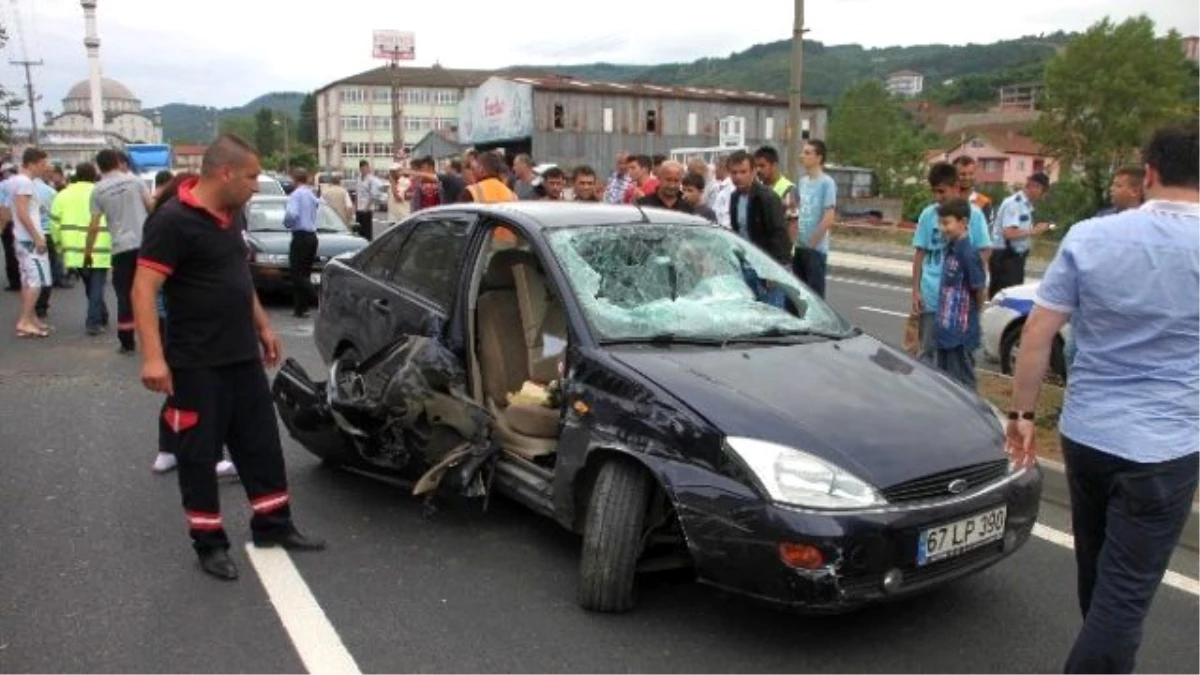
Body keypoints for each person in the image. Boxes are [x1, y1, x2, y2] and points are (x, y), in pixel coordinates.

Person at [1007, 121, 1200, 675]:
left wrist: (1020, 415)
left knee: (1098, 576)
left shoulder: (1092, 236)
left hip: (1088, 434)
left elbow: (1038, 332)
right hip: (1168, 445)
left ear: (1150, 174)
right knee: (1126, 597)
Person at [133, 134, 324, 580]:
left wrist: (263, 326)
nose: (257, 185)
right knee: (199, 454)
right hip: (196, 363)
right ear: (225, 173)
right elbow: (143, 289)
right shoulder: (173, 222)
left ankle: (273, 525)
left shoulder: (231, 214)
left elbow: (238, 275)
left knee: (260, 445)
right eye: (252, 176)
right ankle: (209, 543)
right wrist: (153, 358)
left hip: (242, 356)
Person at [1063, 166, 1146, 370]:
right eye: (1112, 184)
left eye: (1118, 185)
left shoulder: (1151, 227)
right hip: (1088, 309)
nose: (1111, 189)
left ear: (1135, 191)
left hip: (1124, 313)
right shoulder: (1101, 221)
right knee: (1072, 355)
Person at [910, 162, 993, 363]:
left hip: (959, 299)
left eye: (942, 191)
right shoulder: (928, 214)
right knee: (928, 349)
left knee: (958, 355)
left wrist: (975, 288)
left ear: (955, 187)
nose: (937, 197)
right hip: (931, 293)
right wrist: (915, 291)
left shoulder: (974, 214)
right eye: (934, 192)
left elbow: (984, 250)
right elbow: (919, 254)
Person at [85, 148, 154, 354]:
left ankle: (127, 342)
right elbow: (151, 207)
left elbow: (94, 225)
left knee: (124, 295)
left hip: (121, 248)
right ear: (118, 161)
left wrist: (88, 252)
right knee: (149, 291)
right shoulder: (135, 181)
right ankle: (157, 336)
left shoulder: (97, 190)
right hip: (145, 244)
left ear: (99, 166)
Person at [50, 163, 110, 335]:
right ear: (94, 176)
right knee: (97, 285)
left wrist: (59, 244)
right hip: (99, 246)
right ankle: (93, 322)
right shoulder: (102, 193)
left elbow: (54, 222)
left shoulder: (63, 195)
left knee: (90, 285)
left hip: (73, 249)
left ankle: (101, 315)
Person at [932, 198, 986, 389]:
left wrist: (972, 317)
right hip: (945, 329)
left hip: (959, 334)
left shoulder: (968, 253)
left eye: (947, 223)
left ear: (963, 223)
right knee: (945, 382)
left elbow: (978, 289)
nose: (943, 228)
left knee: (962, 384)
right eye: (941, 223)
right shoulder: (951, 249)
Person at [10, 148, 53, 338]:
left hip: (22, 238)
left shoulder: (16, 181)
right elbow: (22, 212)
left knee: (28, 280)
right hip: (29, 239)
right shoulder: (25, 183)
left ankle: (31, 318)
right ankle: (25, 320)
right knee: (36, 281)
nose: (45, 168)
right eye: (43, 164)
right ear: (33, 163)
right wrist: (37, 236)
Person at [989, 172, 1052, 298]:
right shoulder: (1015, 204)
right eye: (1043, 192)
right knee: (1006, 297)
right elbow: (1009, 233)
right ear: (1035, 187)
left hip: (1014, 258)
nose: (1042, 196)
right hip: (1006, 258)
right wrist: (1034, 231)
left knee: (1012, 294)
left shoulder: (1025, 206)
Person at [726, 150, 790, 265]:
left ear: (753, 172)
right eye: (734, 173)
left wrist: (776, 267)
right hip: (745, 260)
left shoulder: (767, 197)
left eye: (743, 172)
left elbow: (779, 235)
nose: (738, 177)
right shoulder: (734, 197)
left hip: (767, 263)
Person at [793, 140, 837, 298]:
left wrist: (812, 242)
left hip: (816, 249)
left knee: (815, 297)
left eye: (807, 153)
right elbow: (798, 209)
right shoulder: (802, 182)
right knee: (798, 296)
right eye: (803, 152)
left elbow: (829, 217)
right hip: (799, 246)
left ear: (819, 158)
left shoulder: (827, 183)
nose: (802, 156)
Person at [283, 167, 320, 318]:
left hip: (300, 235)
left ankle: (319, 301)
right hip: (312, 236)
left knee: (297, 274)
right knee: (305, 272)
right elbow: (319, 206)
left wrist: (287, 223)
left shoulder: (296, 195)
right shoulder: (311, 194)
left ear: (295, 180)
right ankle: (300, 307)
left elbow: (292, 214)